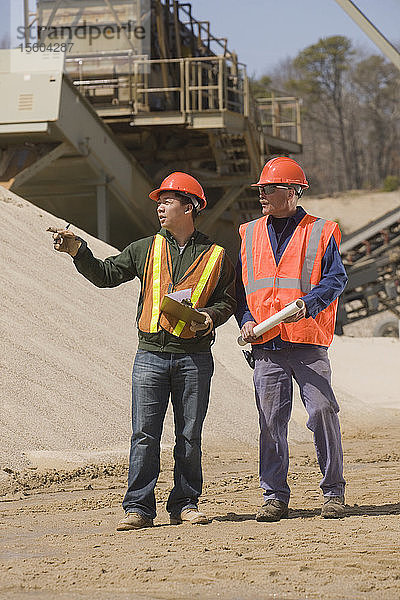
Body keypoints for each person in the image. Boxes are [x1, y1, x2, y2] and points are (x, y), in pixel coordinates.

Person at [49, 172, 236, 530]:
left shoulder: (217, 256)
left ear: (191, 207)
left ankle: (186, 504)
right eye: (159, 202)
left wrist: (209, 319)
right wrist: (79, 251)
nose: (160, 207)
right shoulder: (145, 248)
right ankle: (138, 508)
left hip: (194, 357)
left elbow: (229, 301)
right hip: (149, 356)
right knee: (144, 435)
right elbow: (106, 275)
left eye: (168, 201)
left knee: (189, 435)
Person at [235, 157, 348, 521]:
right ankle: (274, 496)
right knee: (270, 421)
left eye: (269, 188)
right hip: (266, 346)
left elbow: (335, 280)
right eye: (261, 189)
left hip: (307, 342)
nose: (262, 195)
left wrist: (309, 304)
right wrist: (247, 320)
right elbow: (242, 290)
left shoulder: (321, 231)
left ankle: (333, 492)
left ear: (293, 192)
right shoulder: (249, 233)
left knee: (322, 411)